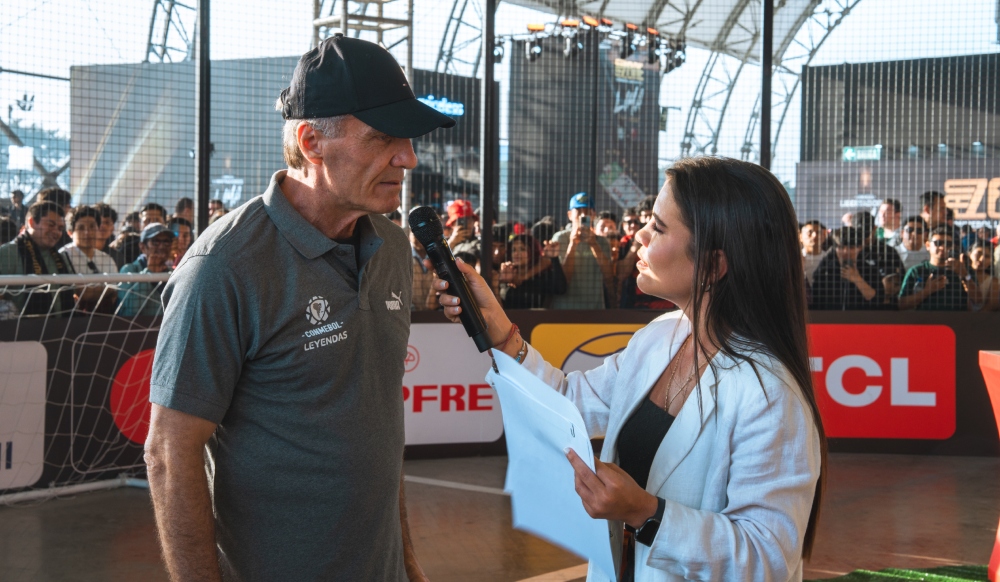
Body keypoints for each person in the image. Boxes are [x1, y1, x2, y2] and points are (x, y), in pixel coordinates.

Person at [144, 34, 453, 582]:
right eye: (383, 137)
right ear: (312, 142)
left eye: (407, 139)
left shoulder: (390, 248)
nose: (408, 157)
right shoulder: (223, 267)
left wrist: (406, 562)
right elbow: (170, 454)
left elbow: (378, 433)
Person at [432, 156, 824, 581]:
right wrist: (501, 333)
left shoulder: (769, 394)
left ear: (712, 266)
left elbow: (768, 558)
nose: (638, 234)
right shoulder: (660, 336)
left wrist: (646, 514)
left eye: (658, 227)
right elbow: (569, 403)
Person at [0, 201, 76, 315]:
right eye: (50, 225)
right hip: (21, 325)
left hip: (64, 324)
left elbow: (74, 290)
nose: (56, 232)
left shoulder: (61, 256)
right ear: (31, 222)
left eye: (60, 228)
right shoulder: (8, 252)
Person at [550, 192, 613, 309]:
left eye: (587, 211)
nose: (583, 215)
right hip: (564, 309)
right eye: (578, 211)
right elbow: (562, 279)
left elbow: (609, 276)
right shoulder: (560, 238)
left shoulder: (602, 242)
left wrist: (594, 244)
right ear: (570, 215)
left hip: (595, 308)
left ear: (594, 214)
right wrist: (572, 244)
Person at [810, 227, 885, 310]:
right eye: (841, 247)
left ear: (859, 248)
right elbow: (815, 300)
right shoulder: (825, 270)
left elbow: (877, 299)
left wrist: (857, 279)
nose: (845, 251)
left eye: (851, 247)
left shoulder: (869, 270)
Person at [898, 226, 969, 311]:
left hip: (956, 318)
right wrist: (927, 291)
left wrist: (965, 275)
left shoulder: (960, 269)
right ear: (927, 245)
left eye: (948, 244)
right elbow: (901, 304)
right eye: (938, 243)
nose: (943, 247)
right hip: (924, 319)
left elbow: (977, 300)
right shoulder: (916, 271)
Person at [118, 223, 174, 317]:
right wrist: (149, 273)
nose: (162, 246)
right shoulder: (129, 270)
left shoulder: (173, 273)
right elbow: (133, 308)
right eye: (155, 242)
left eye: (166, 241)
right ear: (142, 247)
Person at [499, 234, 567, 309]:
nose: (516, 253)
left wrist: (554, 258)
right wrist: (502, 282)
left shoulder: (540, 276)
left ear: (532, 251)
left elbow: (560, 289)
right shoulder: (505, 271)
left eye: (522, 249)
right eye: (513, 250)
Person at [59, 205, 118, 274]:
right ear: (70, 233)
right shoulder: (63, 257)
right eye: (81, 228)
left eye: (92, 226)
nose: (87, 232)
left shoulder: (107, 260)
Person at [966, 241, 999, 312]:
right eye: (978, 254)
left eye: (987, 256)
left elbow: (991, 306)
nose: (982, 259)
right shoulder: (960, 275)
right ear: (969, 254)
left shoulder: (993, 282)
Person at [800, 220, 827, 285]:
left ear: (824, 236)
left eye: (818, 232)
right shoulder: (795, 259)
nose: (814, 235)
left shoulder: (829, 259)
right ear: (800, 237)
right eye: (810, 232)